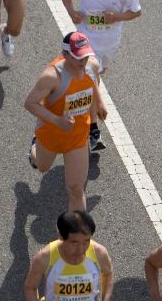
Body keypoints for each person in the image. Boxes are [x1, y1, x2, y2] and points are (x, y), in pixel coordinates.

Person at [61, 0, 142, 151]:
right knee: (91, 80)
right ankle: (93, 130)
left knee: (96, 78)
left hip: (110, 43)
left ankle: (73, 106)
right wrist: (72, 12)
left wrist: (117, 17)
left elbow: (136, 11)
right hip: (86, 43)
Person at [25, 31, 105, 212]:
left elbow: (92, 82)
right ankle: (34, 148)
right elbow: (29, 103)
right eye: (78, 58)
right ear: (65, 54)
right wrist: (56, 120)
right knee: (42, 167)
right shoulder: (51, 77)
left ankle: (78, 236)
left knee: (77, 190)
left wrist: (100, 103)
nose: (82, 61)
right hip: (51, 134)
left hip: (77, 137)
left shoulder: (90, 65)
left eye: (85, 56)